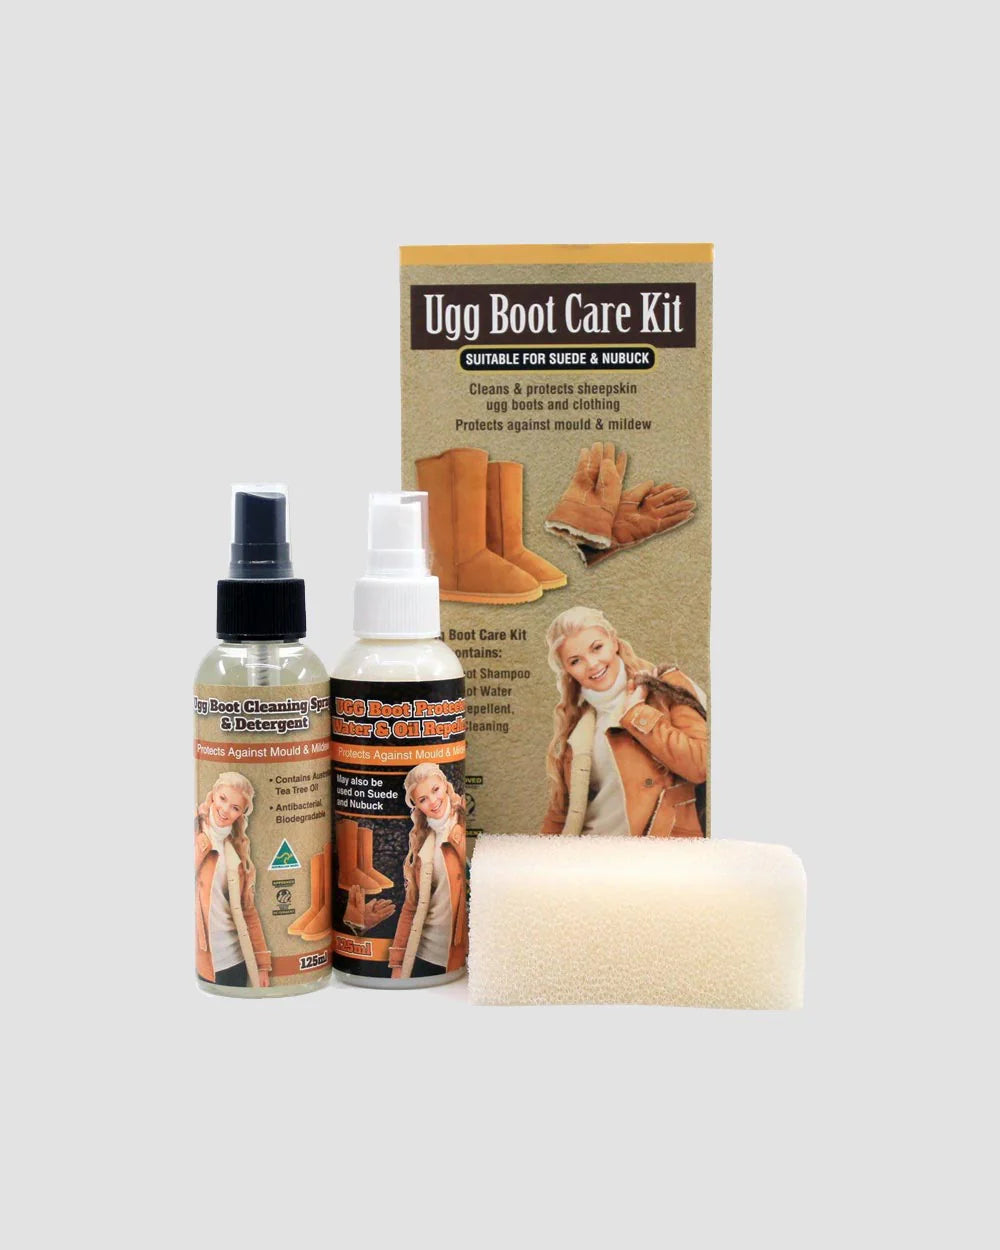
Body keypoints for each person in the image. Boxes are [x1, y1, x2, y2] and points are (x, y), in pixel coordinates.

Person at [541, 605, 708, 837]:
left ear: (614, 642)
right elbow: (560, 813)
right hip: (590, 852)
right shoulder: (577, 723)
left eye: (597, 648)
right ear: (568, 670)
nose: (592, 664)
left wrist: (637, 713)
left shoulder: (666, 687)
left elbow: (701, 764)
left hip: (655, 852)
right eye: (576, 661)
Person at [389, 763, 467, 979]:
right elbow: (411, 907)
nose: (433, 801)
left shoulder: (463, 823)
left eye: (435, 790)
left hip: (460, 954)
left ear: (445, 785)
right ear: (417, 806)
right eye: (423, 799)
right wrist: (397, 964)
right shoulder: (423, 843)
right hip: (425, 955)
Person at [194, 771, 272, 987]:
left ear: (241, 815)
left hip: (235, 961)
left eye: (235, 807)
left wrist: (262, 965)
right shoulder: (196, 833)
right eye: (223, 798)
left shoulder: (236, 851)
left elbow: (248, 911)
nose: (225, 810)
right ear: (213, 794)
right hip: (202, 961)